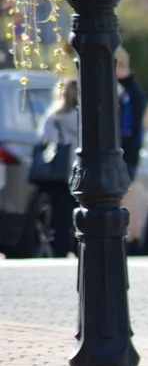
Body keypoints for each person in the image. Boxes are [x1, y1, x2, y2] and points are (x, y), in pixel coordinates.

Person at [38, 79, 79, 257]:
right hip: (80, 171)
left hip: (60, 171)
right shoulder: (84, 116)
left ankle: (60, 249)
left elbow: (44, 138)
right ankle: (79, 246)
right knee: (80, 210)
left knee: (59, 213)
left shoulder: (53, 116)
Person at [115, 46, 146, 181]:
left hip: (126, 153)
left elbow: (130, 126)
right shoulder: (125, 89)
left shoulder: (130, 92)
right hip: (126, 152)